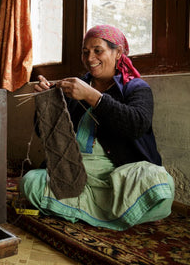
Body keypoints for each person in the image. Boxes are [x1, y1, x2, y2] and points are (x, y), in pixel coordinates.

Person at [20, 25, 174, 230]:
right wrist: (46, 104)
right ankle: (118, 214)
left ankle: (76, 210)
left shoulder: (136, 88)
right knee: (30, 183)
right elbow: (45, 135)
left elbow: (136, 125)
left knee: (160, 183)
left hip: (118, 175)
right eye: (85, 52)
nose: (90, 57)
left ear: (118, 52)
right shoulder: (74, 87)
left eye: (97, 50)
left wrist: (93, 97)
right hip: (75, 172)